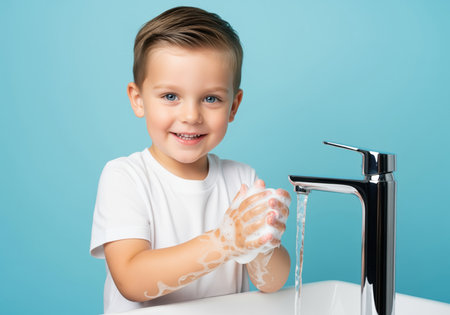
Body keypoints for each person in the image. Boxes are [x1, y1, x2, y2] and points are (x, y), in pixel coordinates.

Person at [90, 6, 291, 314]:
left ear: (233, 106)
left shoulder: (242, 180)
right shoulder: (126, 177)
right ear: (138, 99)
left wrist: (262, 243)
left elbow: (272, 283)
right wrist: (224, 243)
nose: (191, 116)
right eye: (170, 96)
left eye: (211, 98)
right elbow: (131, 278)